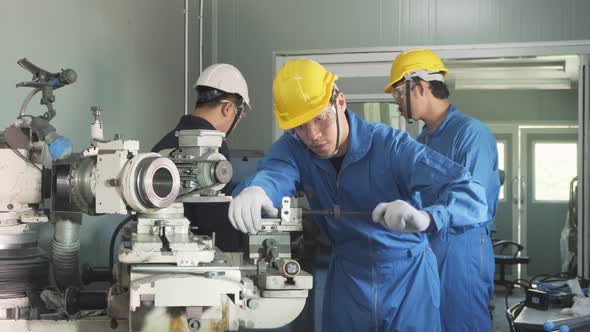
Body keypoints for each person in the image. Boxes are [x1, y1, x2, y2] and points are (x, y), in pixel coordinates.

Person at [228, 59, 488, 331]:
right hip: (348, 279)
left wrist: (426, 218)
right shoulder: (294, 147)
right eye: (300, 126)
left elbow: (472, 194)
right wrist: (257, 189)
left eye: (320, 119)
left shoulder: (392, 147)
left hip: (408, 279)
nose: (313, 136)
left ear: (340, 102)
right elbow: (276, 172)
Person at [384, 48, 500, 332]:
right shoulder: (423, 139)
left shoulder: (471, 134)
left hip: (464, 247)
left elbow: (476, 202)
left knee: (462, 322)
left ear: (421, 87)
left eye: (399, 93)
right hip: (430, 244)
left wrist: (429, 217)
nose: (397, 102)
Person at [152, 63, 251, 252]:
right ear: (228, 109)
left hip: (159, 250)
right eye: (239, 113)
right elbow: (216, 217)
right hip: (194, 257)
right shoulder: (214, 148)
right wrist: (233, 262)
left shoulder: (165, 143)